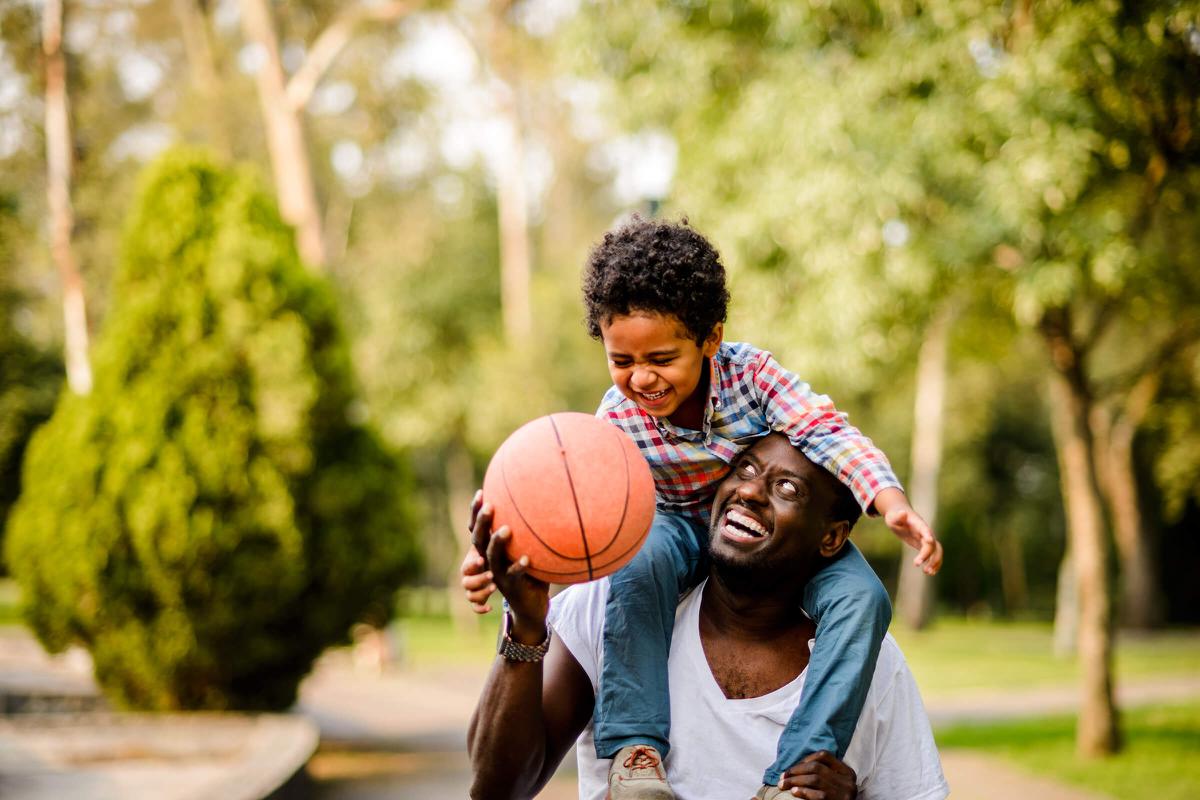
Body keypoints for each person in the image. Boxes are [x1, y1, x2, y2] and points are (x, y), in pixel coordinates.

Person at [463, 216, 944, 799]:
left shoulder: (754, 378)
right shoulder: (615, 423)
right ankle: (636, 755)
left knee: (867, 597)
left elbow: (823, 429)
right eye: (621, 361)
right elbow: (566, 499)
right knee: (642, 566)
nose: (640, 378)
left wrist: (887, 500)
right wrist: (501, 561)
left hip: (765, 549)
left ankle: (797, 772)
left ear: (710, 339)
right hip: (667, 528)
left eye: (661, 358)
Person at [467, 433, 950, 800]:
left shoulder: (867, 662)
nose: (750, 492)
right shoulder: (612, 603)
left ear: (831, 538)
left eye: (786, 488)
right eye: (743, 469)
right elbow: (496, 788)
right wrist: (526, 628)